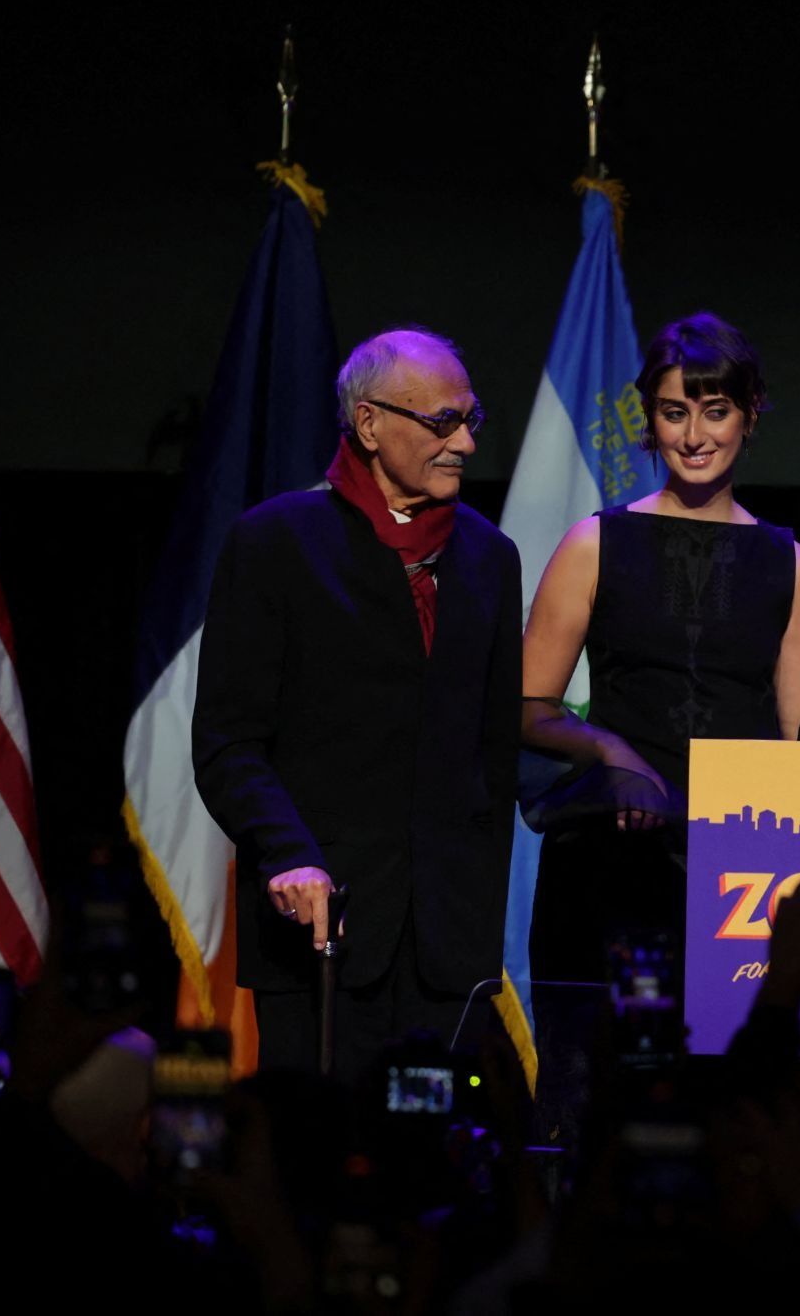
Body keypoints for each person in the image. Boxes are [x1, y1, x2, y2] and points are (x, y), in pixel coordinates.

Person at [192, 327, 523, 1084]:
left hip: (447, 949)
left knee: (435, 1181)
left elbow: (492, 753)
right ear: (369, 423)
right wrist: (288, 852)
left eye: (472, 419)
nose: (466, 442)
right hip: (320, 935)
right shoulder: (276, 543)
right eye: (444, 421)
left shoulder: (490, 558)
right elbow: (228, 739)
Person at [519, 312, 800, 979]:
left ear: (749, 413)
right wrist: (611, 749)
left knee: (732, 1075)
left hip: (741, 865)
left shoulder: (791, 564)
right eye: (673, 411)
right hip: (610, 859)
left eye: (715, 411)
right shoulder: (593, 544)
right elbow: (526, 705)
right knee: (598, 1071)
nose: (693, 436)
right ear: (649, 420)